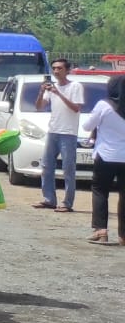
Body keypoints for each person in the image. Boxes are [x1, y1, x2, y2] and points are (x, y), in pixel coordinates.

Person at [81, 74, 125, 245]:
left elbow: (87, 126)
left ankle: (101, 230)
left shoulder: (104, 105)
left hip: (106, 155)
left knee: (100, 190)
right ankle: (123, 236)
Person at [35, 58, 84, 212]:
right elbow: (39, 107)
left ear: (67, 70)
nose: (56, 71)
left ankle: (67, 202)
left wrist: (59, 93)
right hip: (53, 130)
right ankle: (49, 199)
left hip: (68, 132)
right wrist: (42, 91)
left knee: (68, 168)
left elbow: (76, 108)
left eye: (60, 68)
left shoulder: (75, 86)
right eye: (54, 68)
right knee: (46, 166)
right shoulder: (52, 87)